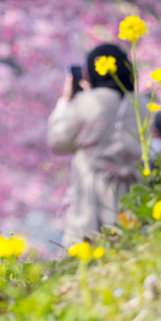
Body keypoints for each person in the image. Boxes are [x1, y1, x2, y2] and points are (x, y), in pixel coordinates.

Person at [47, 43, 142, 249]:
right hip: (132, 195)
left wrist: (65, 101)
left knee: (85, 255)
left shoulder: (87, 102)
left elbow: (58, 141)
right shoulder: (141, 105)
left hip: (91, 197)